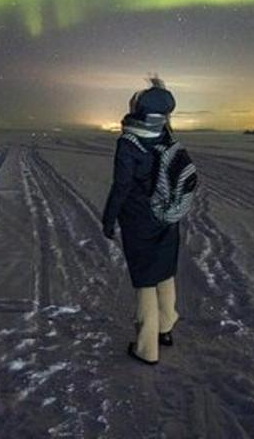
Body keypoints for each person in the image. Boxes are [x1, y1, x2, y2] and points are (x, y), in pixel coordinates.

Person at [101, 76, 181, 365]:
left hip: (139, 220)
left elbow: (121, 186)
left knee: (145, 279)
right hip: (168, 215)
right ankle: (166, 328)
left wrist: (109, 219)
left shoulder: (129, 142)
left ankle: (147, 349)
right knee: (164, 271)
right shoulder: (166, 134)